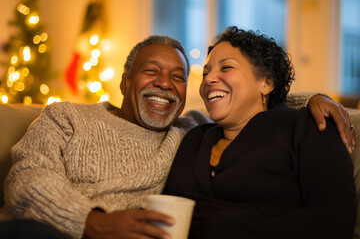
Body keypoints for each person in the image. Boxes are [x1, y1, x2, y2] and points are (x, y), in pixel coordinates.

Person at [0, 34, 354, 239]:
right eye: (150, 71)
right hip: (63, 230)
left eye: (180, 77)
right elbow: (26, 178)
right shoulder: (67, 117)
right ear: (124, 82)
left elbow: (255, 109)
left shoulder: (185, 130)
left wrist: (313, 99)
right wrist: (93, 222)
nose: (165, 83)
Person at [164, 26, 356, 239]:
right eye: (206, 72)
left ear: (266, 82)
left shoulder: (309, 128)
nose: (208, 79)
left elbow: (333, 221)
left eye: (226, 67)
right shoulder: (194, 138)